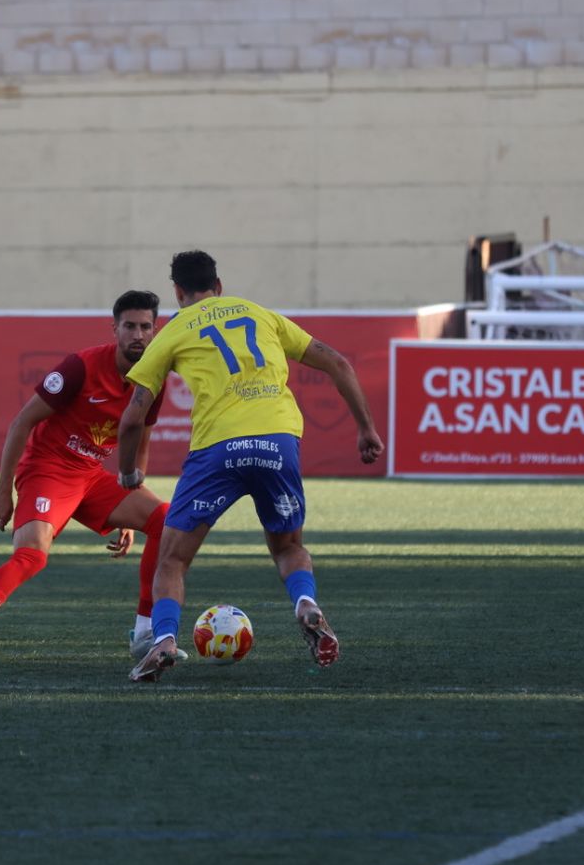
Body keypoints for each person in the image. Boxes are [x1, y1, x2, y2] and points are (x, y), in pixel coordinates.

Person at [116, 249, 384, 684]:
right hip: (277, 442)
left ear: (179, 292)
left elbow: (132, 418)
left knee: (172, 560)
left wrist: (129, 475)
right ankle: (307, 605)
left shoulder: (174, 330)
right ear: (219, 286)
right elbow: (338, 363)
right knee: (288, 548)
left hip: (217, 450)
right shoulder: (263, 316)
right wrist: (366, 430)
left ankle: (164, 640)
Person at [0, 290, 178, 664]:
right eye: (129, 326)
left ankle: (144, 634)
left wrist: (132, 496)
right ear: (115, 329)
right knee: (31, 557)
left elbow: (139, 439)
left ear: (156, 331)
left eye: (145, 326)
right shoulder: (80, 367)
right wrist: (2, 492)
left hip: (90, 476)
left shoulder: (152, 381)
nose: (138, 334)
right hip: (48, 470)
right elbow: (21, 423)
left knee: (164, 520)